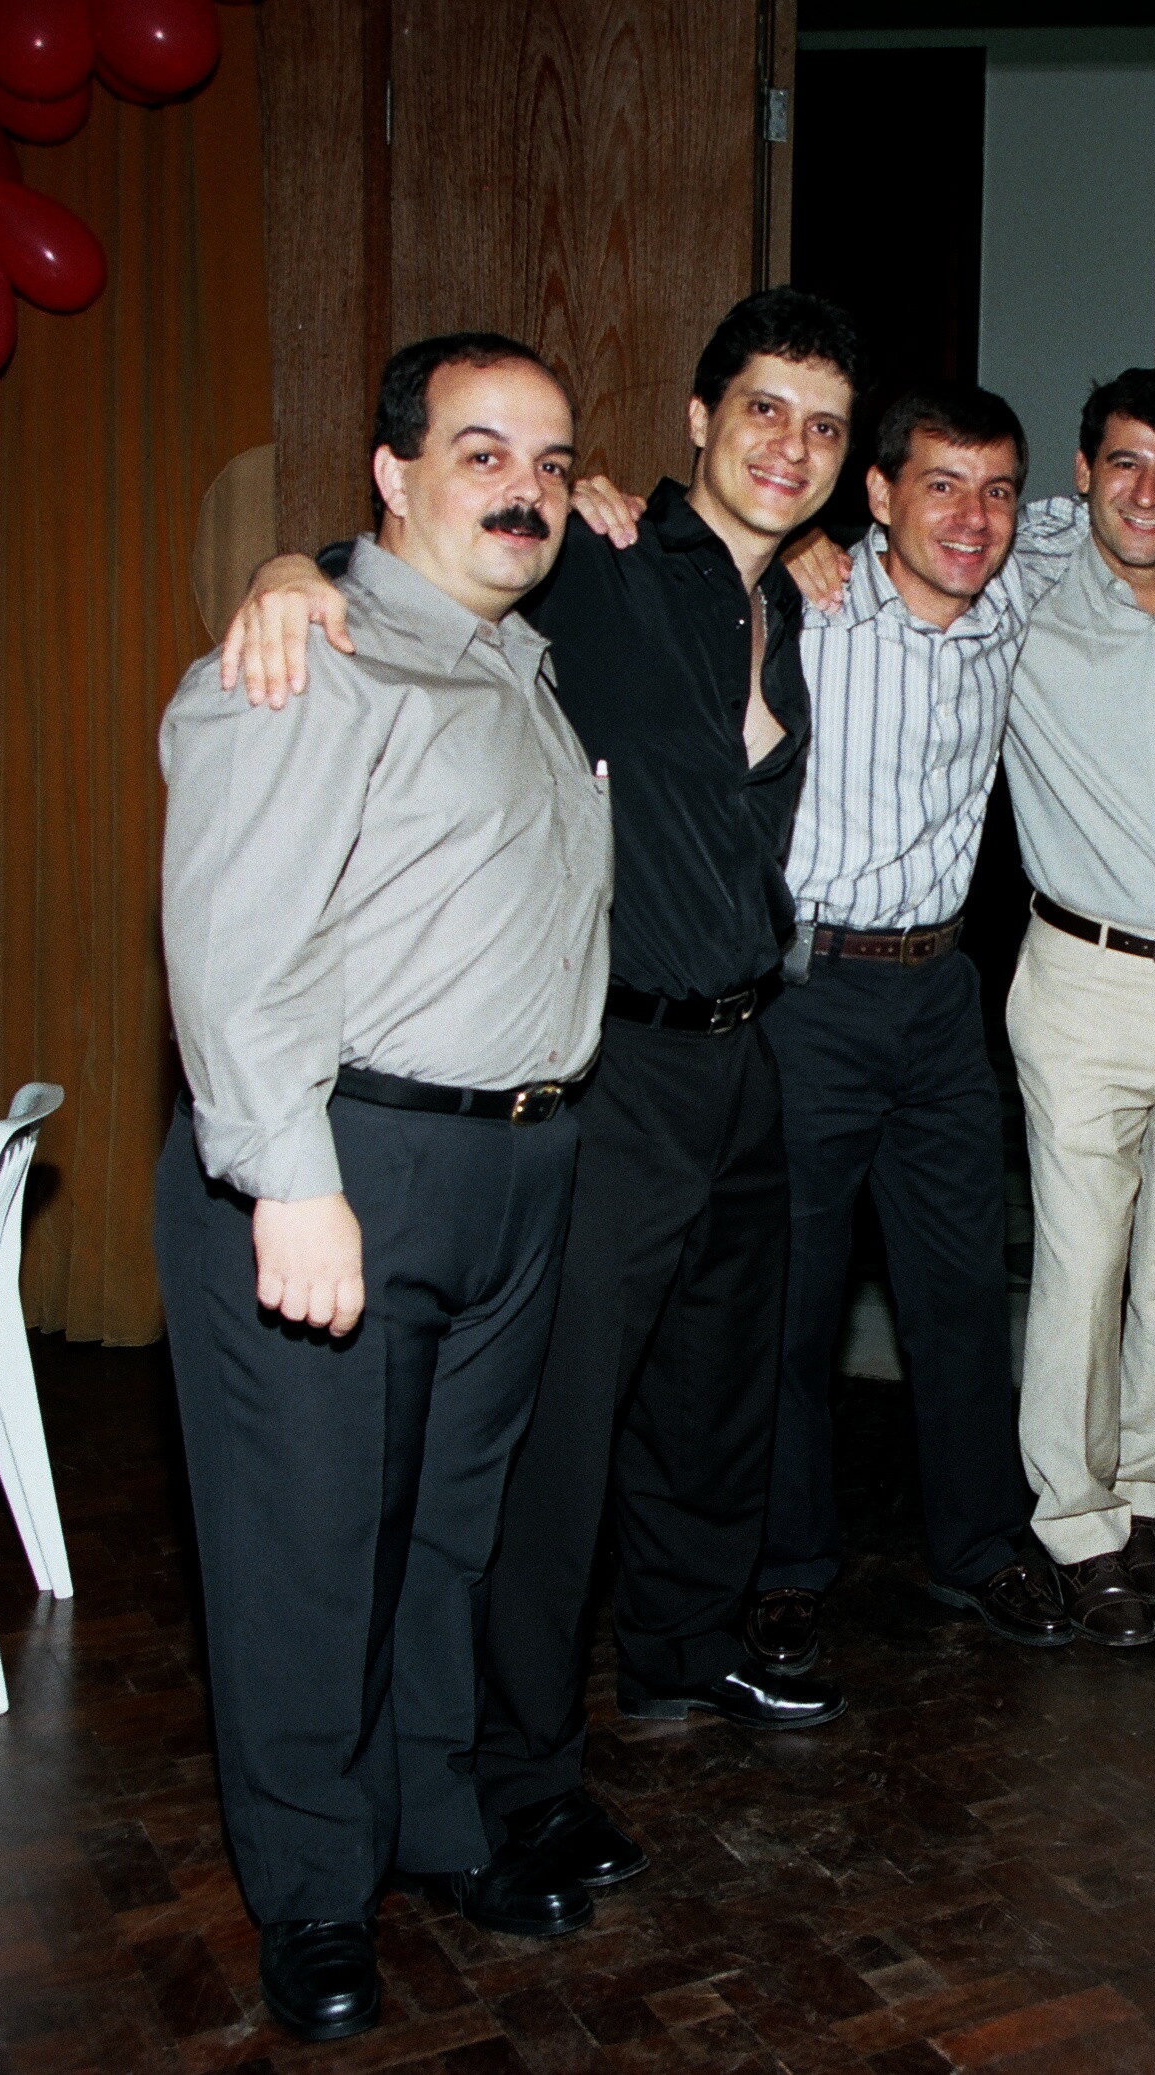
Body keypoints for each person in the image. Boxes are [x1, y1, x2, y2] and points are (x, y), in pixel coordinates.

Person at [216, 292, 863, 1877]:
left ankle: (681, 1645)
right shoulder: (594, 556)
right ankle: (514, 1761)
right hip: (611, 1057)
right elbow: (421, 557)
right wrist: (292, 572)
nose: (789, 446)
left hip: (741, 1052)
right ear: (697, 421)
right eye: (761, 409)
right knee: (554, 1440)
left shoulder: (786, 607)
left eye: (822, 425)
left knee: (714, 1392)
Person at [157, 334, 610, 2041]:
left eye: (551, 461)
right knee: (309, 1551)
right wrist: (289, 1179)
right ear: (391, 473)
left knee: (444, 1533)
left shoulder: (521, 666)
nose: (524, 489)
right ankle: (313, 1893)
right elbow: (231, 944)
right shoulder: (310, 654)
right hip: (341, 1160)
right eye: (482, 451)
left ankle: (433, 1821)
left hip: (510, 1166)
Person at [745, 382, 1087, 1671]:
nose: (972, 516)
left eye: (996, 489)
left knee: (959, 1290)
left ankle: (981, 1544)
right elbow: (652, 534)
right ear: (878, 494)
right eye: (939, 485)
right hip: (810, 995)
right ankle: (782, 1565)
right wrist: (785, 537)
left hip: (943, 993)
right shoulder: (806, 604)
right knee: (792, 1299)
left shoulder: (1015, 580)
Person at [999, 368, 1155, 1647]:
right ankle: (1074, 1519)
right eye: (1126, 462)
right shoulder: (1017, 579)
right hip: (1081, 975)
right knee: (1082, 1263)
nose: (1148, 492)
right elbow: (908, 521)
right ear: (1083, 471)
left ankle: (1148, 1497)